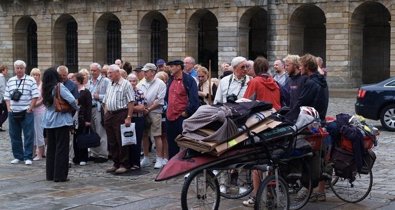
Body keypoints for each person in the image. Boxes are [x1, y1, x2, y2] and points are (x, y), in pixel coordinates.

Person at [286, 54, 329, 201]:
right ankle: (318, 190)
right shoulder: (321, 81)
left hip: (309, 124)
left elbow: (301, 103)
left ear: (307, 67)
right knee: (318, 157)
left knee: (305, 155)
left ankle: (305, 185)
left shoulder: (311, 83)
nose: (300, 68)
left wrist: (287, 119)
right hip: (319, 122)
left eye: (301, 66)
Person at [242, 57, 281, 207]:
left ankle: (255, 195)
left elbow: (245, 102)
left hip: (259, 125)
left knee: (256, 162)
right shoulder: (274, 83)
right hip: (274, 123)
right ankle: (270, 192)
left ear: (256, 69)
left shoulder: (255, 82)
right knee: (270, 161)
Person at [42, 67, 78, 182]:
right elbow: (71, 99)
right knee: (62, 148)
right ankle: (60, 175)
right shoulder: (59, 87)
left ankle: (50, 174)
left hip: (48, 120)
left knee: (51, 148)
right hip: (61, 119)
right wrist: (76, 108)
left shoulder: (45, 88)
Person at [4, 60, 39, 165]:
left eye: (21, 68)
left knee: (28, 134)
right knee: (14, 135)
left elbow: (35, 95)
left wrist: (30, 108)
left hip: (26, 111)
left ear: (24, 69)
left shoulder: (31, 80)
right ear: (14, 69)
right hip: (13, 111)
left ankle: (28, 156)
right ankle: (18, 156)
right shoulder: (10, 80)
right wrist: (9, 108)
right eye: (17, 68)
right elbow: (6, 97)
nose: (19, 70)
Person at [102, 64, 135, 174]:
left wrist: (128, 117)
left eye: (110, 73)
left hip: (121, 114)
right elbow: (106, 100)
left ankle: (124, 163)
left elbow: (131, 101)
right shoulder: (110, 84)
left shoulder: (126, 84)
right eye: (108, 73)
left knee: (121, 140)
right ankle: (115, 162)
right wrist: (106, 113)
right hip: (110, 114)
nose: (109, 75)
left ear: (117, 72)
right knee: (112, 141)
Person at [165, 59, 199, 159]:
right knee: (171, 144)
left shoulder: (189, 80)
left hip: (182, 117)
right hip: (170, 116)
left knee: (187, 143)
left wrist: (186, 112)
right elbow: (167, 97)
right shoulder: (171, 79)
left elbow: (194, 100)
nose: (170, 68)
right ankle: (173, 165)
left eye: (172, 66)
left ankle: (188, 165)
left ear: (179, 67)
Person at [138, 63, 167, 169]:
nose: (144, 73)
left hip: (155, 113)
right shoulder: (141, 83)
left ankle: (159, 158)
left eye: (147, 71)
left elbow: (159, 100)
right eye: (144, 71)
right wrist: (143, 108)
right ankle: (146, 157)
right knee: (144, 135)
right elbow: (139, 96)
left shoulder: (160, 84)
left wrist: (149, 108)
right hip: (143, 112)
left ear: (153, 72)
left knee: (157, 135)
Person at [88, 63, 110, 163]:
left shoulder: (105, 81)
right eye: (91, 70)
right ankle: (94, 153)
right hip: (90, 108)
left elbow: (109, 95)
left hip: (99, 108)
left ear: (99, 71)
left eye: (94, 70)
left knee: (101, 131)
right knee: (92, 131)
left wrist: (99, 97)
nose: (92, 72)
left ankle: (103, 154)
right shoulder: (89, 81)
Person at [57, 65, 79, 167]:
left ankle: (69, 159)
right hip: (57, 116)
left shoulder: (72, 85)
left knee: (69, 139)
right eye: (60, 75)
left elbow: (75, 101)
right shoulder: (55, 84)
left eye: (64, 75)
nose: (62, 77)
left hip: (69, 114)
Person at [72, 73, 92, 166]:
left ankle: (83, 157)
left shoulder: (86, 92)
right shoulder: (73, 91)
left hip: (82, 117)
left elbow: (88, 107)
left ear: (79, 81)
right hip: (74, 117)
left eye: (74, 80)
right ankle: (76, 157)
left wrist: (88, 120)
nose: (73, 82)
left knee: (82, 137)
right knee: (74, 138)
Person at [127, 73, 146, 170]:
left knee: (137, 141)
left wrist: (129, 107)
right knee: (127, 141)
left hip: (138, 119)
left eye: (134, 81)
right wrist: (133, 107)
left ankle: (136, 163)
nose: (132, 83)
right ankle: (128, 162)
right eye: (130, 81)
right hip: (127, 119)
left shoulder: (139, 92)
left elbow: (141, 107)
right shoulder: (124, 92)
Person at [283, 54, 308, 120]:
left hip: (302, 116)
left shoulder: (304, 78)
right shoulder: (289, 79)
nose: (285, 68)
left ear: (295, 65)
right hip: (292, 116)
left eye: (287, 65)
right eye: (285, 65)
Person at [30, 68, 46, 161]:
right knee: (31, 133)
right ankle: (32, 152)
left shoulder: (42, 86)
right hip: (31, 111)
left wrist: (32, 105)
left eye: (37, 74)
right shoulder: (30, 84)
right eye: (33, 74)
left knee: (39, 133)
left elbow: (42, 100)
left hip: (40, 111)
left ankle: (40, 153)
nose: (35, 76)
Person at [0, 64, 8, 131]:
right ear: (2, 70)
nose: (7, 72)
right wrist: (5, 98)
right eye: (6, 70)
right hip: (1, 99)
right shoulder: (1, 77)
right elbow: (3, 89)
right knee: (6, 112)